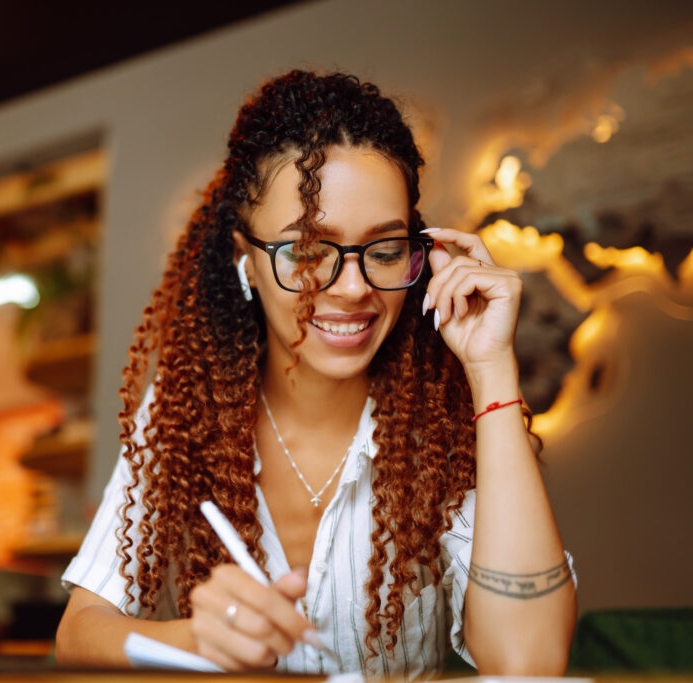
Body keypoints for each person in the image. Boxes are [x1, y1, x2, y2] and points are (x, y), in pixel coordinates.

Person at [54, 70, 576, 677]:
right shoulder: (182, 410)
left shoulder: (439, 423)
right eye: (306, 251)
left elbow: (530, 659)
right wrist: (195, 641)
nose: (353, 289)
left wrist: (491, 370)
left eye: (383, 250)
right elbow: (78, 634)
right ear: (243, 256)